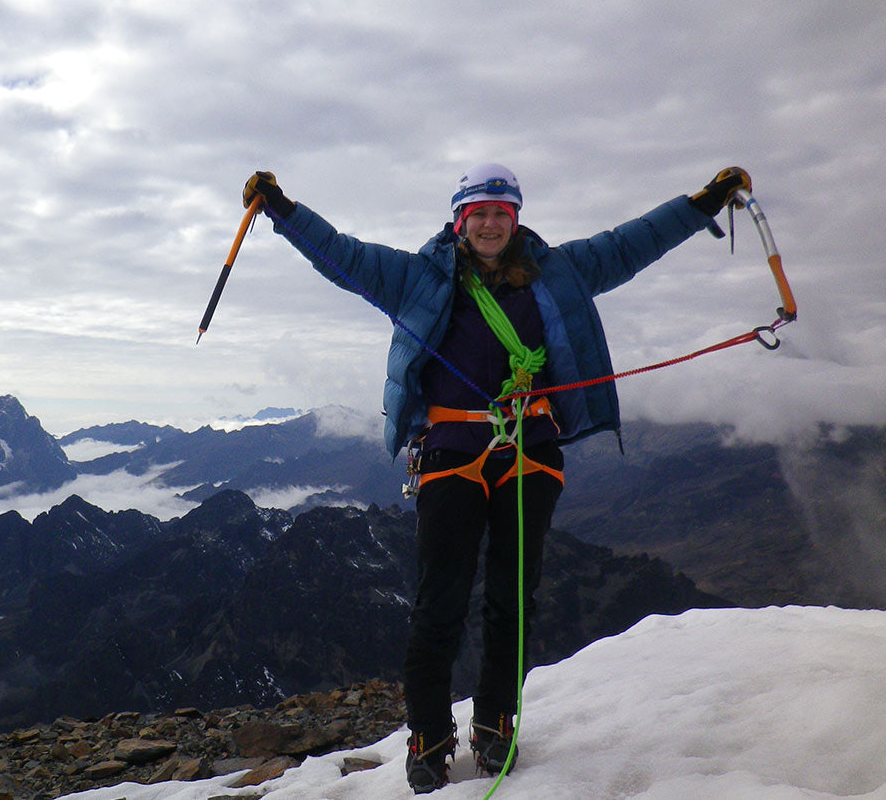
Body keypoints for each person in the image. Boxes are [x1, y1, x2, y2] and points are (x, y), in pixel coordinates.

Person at [242, 163, 750, 793]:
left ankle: (494, 723)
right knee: (439, 604)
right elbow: (342, 255)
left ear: (516, 219)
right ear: (460, 221)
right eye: (477, 213)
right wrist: (284, 211)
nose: (489, 224)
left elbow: (632, 242)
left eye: (500, 214)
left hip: (526, 454)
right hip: (454, 452)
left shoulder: (559, 270)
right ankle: (429, 736)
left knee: (513, 599)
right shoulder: (419, 278)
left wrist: (702, 204)